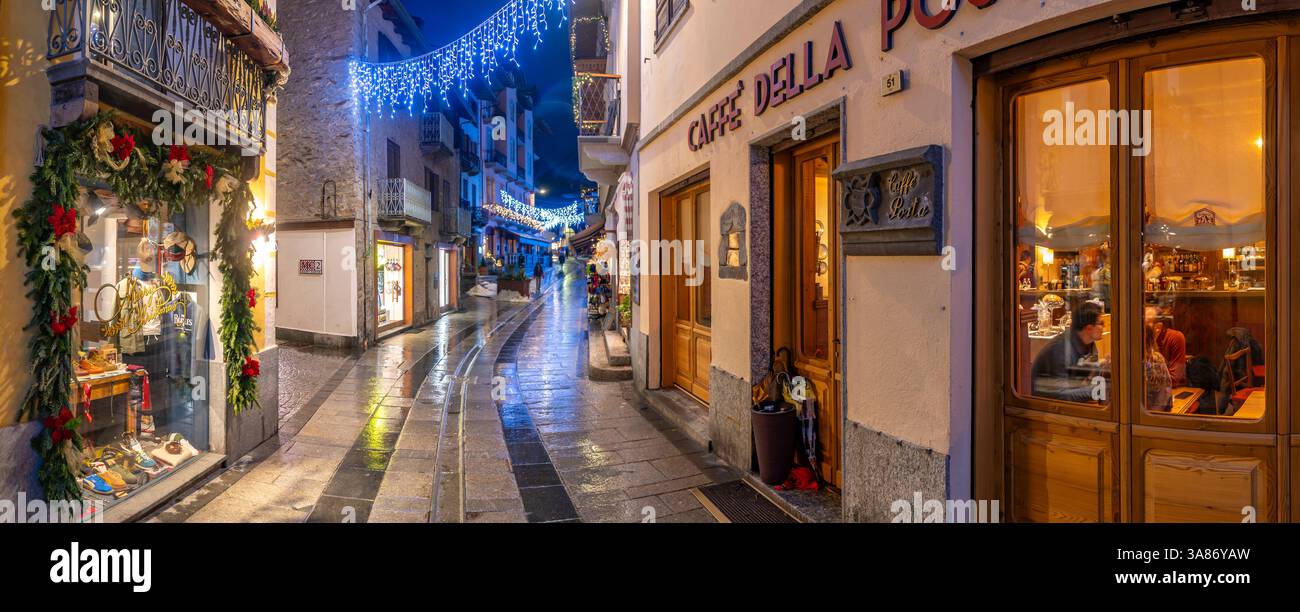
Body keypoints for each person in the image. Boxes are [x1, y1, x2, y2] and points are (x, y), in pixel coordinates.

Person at [1031, 301, 1108, 403]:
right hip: (1046, 406)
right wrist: (1097, 390)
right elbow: (1061, 396)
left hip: (1067, 397)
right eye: (1101, 323)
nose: (1104, 327)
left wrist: (1103, 366)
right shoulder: (1060, 349)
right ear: (1089, 328)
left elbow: (1088, 377)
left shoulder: (1089, 343)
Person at [1144, 306, 1186, 386]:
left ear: (1158, 328)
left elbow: (1175, 378)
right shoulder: (1136, 341)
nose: (1140, 330)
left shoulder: (1175, 337)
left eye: (1145, 327)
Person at [1143, 324, 1173, 411]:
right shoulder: (1156, 359)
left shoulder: (1117, 360)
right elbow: (1167, 388)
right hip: (1154, 416)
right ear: (1151, 340)